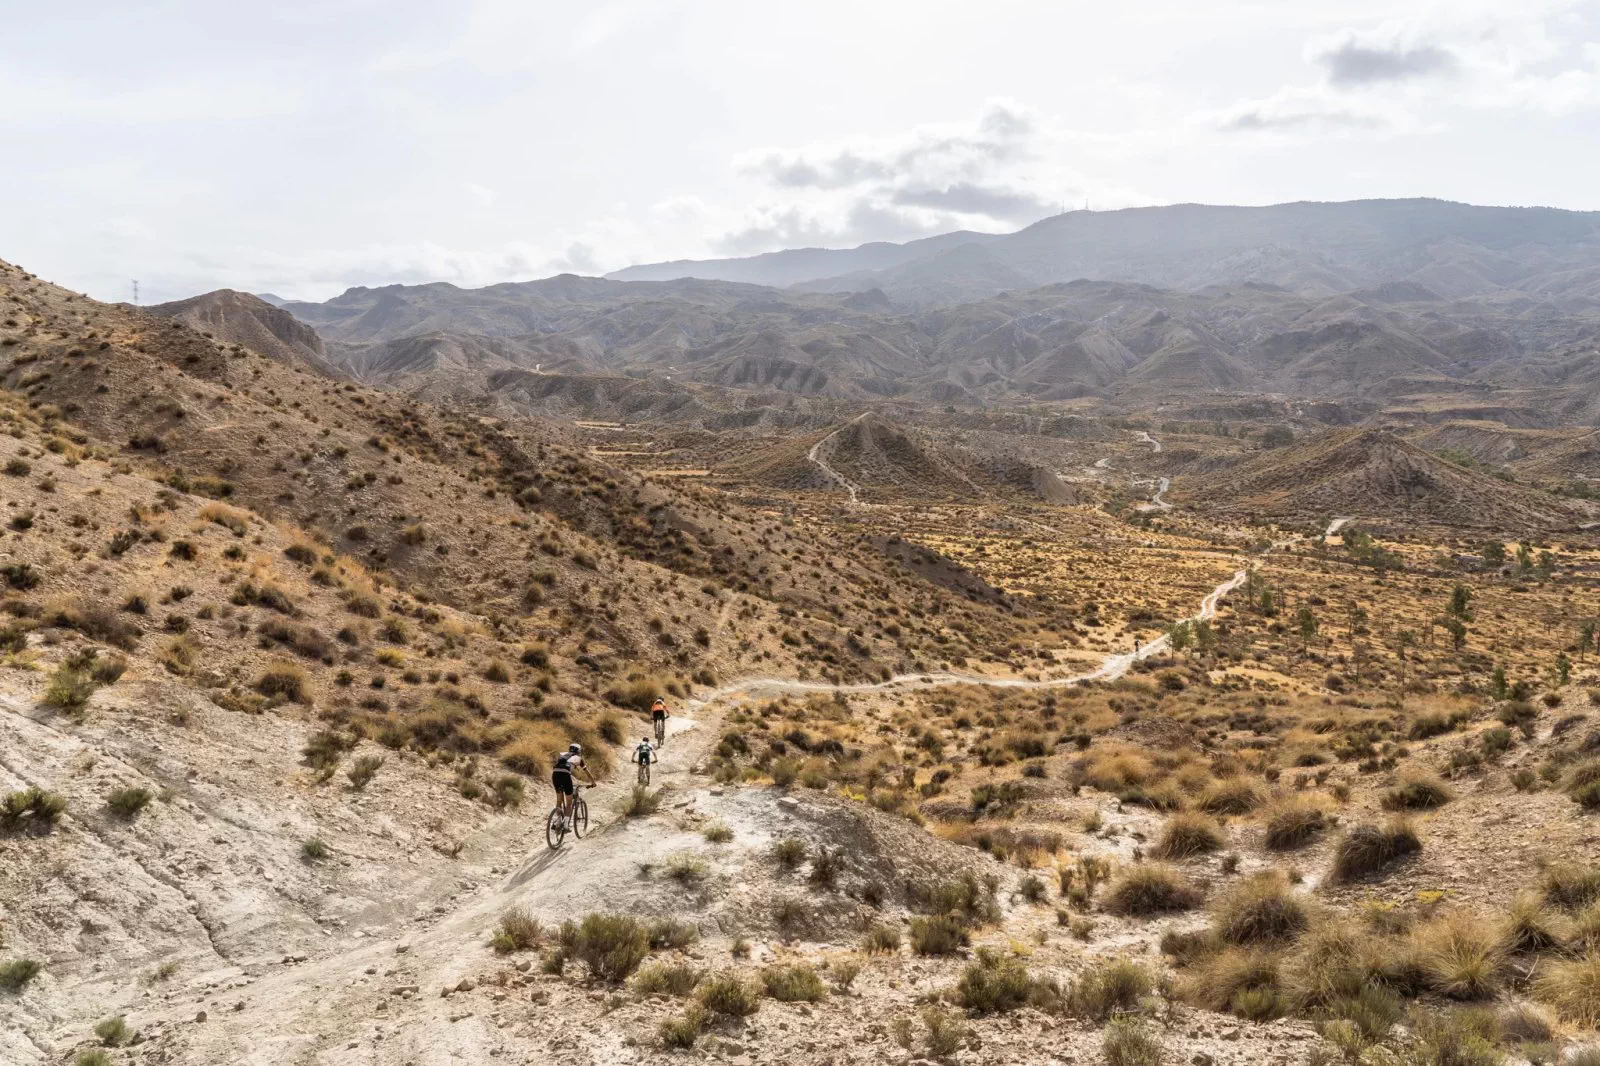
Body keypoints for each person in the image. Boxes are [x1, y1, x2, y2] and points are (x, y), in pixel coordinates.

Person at [551, 743, 594, 822]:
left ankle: (557, 821)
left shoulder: (561, 754)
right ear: (579, 751)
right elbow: (587, 773)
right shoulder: (578, 758)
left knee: (559, 801)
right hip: (565, 776)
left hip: (555, 775)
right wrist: (593, 782)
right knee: (569, 804)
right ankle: (566, 824)